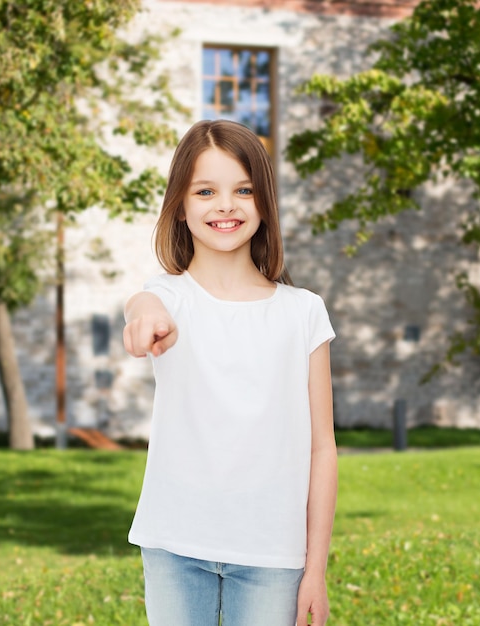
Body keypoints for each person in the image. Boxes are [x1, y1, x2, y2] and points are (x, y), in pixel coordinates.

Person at [123, 119, 337, 626]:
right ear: (180, 204)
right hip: (174, 545)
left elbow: (321, 447)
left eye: (243, 189)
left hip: (273, 555)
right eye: (205, 191)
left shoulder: (303, 311)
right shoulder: (167, 299)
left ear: (263, 202)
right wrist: (144, 315)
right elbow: (143, 305)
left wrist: (316, 570)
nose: (226, 205)